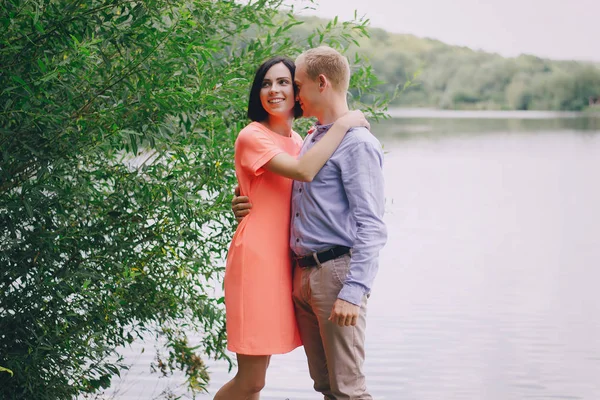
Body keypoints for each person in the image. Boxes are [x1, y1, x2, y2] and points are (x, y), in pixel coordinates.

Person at [233, 46, 387, 399]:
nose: (293, 95)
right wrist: (243, 201)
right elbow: (287, 182)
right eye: (270, 84)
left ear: (319, 83)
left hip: (333, 273)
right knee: (326, 386)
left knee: (348, 389)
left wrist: (354, 289)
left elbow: (373, 226)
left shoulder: (355, 143)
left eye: (294, 84)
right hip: (300, 273)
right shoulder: (311, 141)